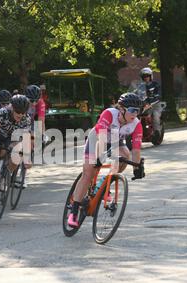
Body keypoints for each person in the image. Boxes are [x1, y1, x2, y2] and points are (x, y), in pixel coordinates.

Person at [68, 93, 145, 228]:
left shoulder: (136, 124)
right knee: (88, 174)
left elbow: (136, 150)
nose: (135, 114)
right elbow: (101, 139)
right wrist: (98, 159)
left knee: (125, 156)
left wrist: (137, 168)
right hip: (97, 139)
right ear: (122, 109)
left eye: (138, 111)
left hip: (115, 141)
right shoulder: (109, 114)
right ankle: (73, 211)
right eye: (132, 110)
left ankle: (104, 184)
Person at [132, 67, 162, 140]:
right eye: (144, 76)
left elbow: (158, 94)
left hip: (154, 104)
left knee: (155, 115)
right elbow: (134, 93)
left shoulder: (155, 84)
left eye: (147, 76)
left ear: (150, 76)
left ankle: (157, 132)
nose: (146, 78)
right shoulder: (140, 86)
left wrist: (154, 99)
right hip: (143, 104)